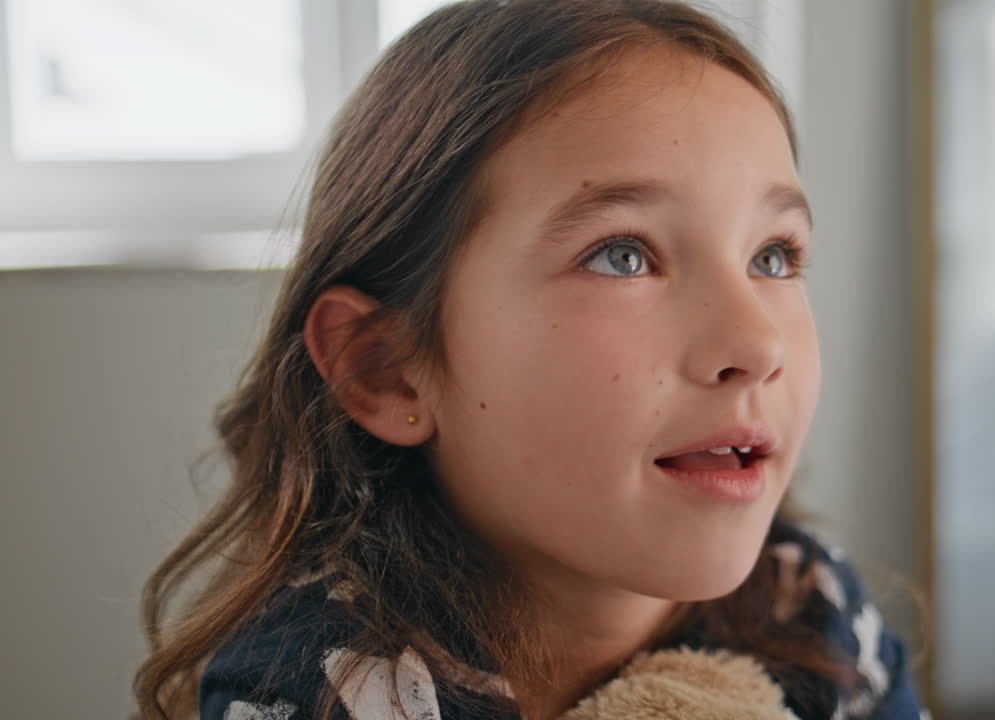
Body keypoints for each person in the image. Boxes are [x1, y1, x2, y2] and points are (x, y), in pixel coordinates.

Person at [132, 1, 926, 718]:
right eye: (623, 255)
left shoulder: (814, 612)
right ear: (388, 369)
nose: (758, 345)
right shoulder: (331, 692)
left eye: (776, 257)